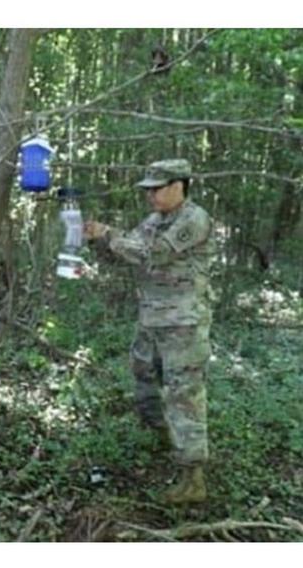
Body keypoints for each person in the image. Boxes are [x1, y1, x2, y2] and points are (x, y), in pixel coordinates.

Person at [84, 159, 215, 505]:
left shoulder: (193, 219)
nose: (151, 196)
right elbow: (128, 254)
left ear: (178, 186)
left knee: (183, 393)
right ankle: (164, 440)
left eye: (157, 188)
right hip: (152, 320)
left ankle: (193, 477)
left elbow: (154, 253)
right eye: (148, 190)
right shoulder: (154, 221)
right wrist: (97, 241)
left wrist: (110, 234)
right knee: (145, 380)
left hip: (183, 324)